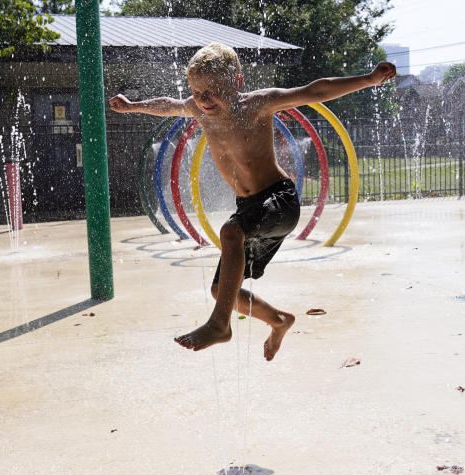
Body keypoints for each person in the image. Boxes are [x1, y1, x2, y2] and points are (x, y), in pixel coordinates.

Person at [110, 43, 396, 361]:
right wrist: (133, 106)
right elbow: (167, 104)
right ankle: (279, 321)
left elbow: (315, 91)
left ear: (237, 83)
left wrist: (368, 80)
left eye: (212, 91)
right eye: (197, 91)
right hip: (249, 208)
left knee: (231, 232)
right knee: (222, 291)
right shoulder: (196, 107)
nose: (204, 100)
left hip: (278, 200)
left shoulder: (258, 105)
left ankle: (220, 325)